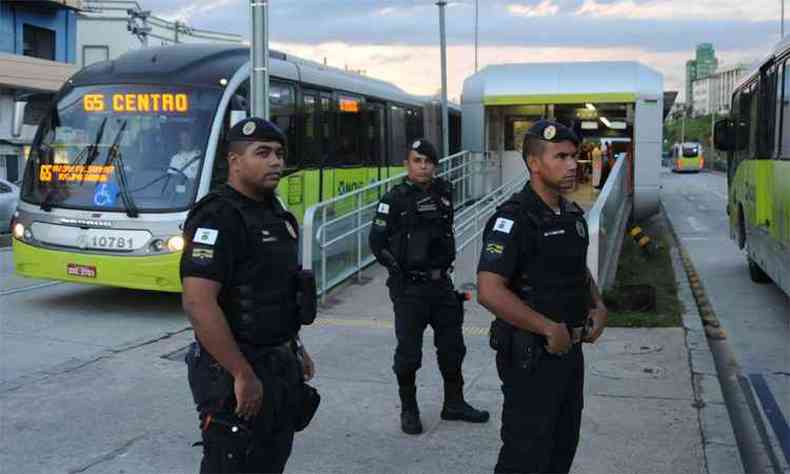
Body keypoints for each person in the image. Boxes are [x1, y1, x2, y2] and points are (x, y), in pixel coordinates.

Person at [180, 117, 320, 474]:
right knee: (233, 461)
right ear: (235, 160)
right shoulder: (216, 216)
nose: (276, 161)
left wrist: (295, 347)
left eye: (278, 153)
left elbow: (276, 291)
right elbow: (198, 302)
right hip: (231, 368)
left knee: (270, 461)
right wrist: (241, 373)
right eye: (263, 153)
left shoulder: (275, 213)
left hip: (277, 362)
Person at [477, 120, 608, 474]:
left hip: (570, 352)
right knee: (525, 455)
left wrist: (597, 304)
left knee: (562, 446)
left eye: (574, 156)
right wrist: (548, 328)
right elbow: (489, 290)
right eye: (561, 156)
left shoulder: (571, 215)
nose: (571, 165)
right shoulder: (514, 219)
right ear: (535, 163)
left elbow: (578, 269)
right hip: (530, 357)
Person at [369, 138, 489, 435]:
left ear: (435, 165)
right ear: (407, 164)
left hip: (442, 286)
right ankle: (409, 409)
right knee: (409, 353)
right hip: (409, 290)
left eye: (428, 161)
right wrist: (398, 272)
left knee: (453, 347)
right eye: (417, 161)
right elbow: (377, 242)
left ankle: (454, 403)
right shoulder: (393, 199)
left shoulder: (444, 191)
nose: (423, 167)